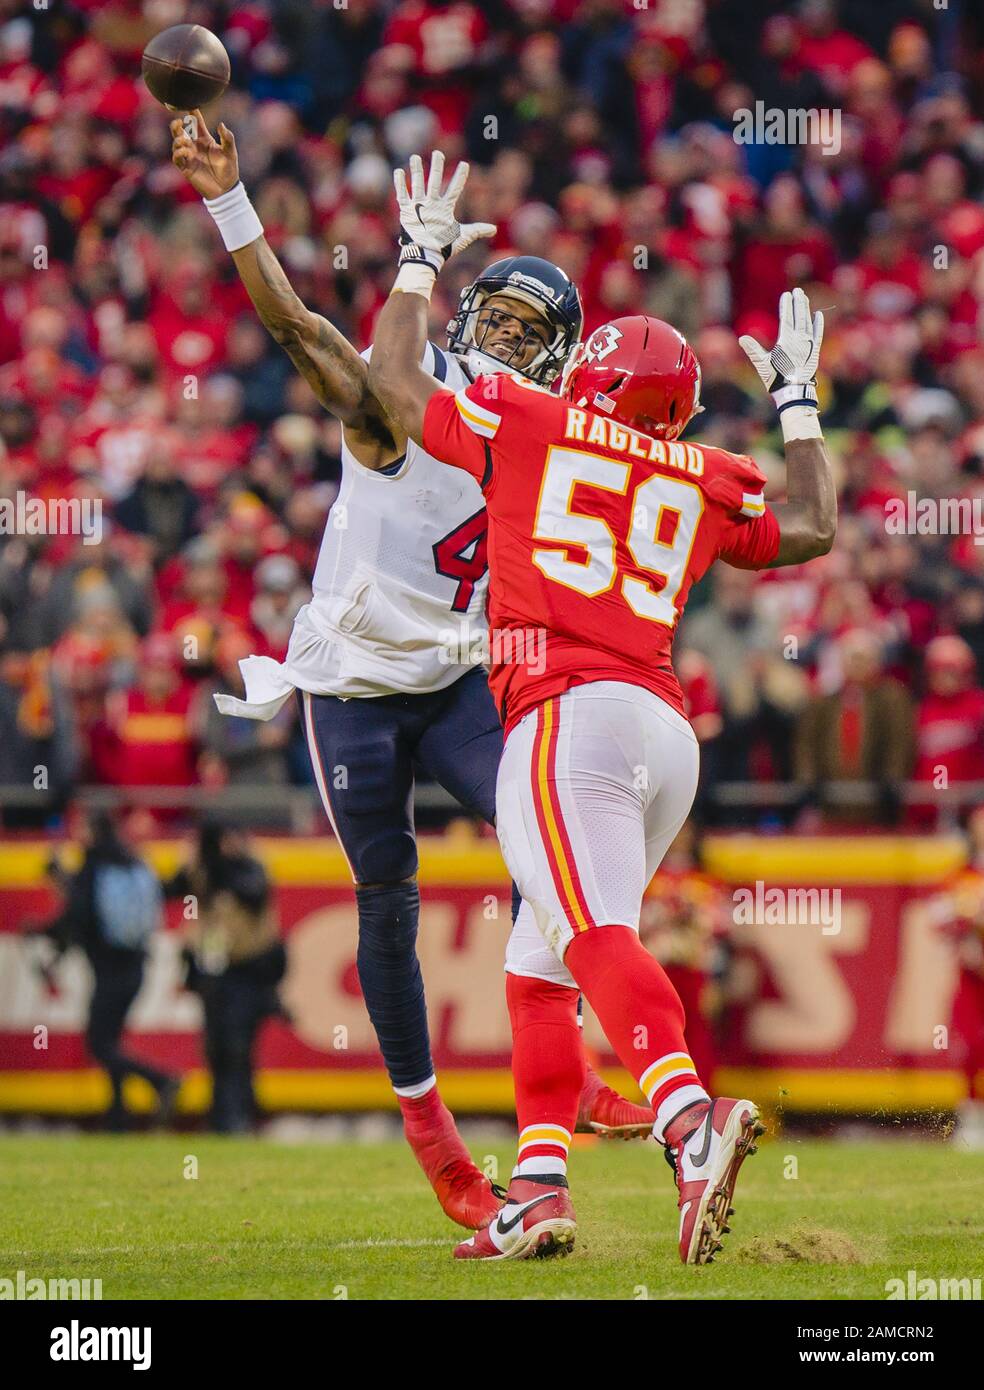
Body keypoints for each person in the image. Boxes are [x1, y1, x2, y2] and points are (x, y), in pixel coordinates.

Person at [169, 114, 652, 1228]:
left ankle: (568, 1072)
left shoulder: (556, 430)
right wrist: (234, 205)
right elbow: (294, 328)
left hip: (463, 674)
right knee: (388, 901)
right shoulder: (405, 396)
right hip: (356, 681)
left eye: (533, 330)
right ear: (458, 313)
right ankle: (437, 1145)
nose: (505, 340)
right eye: (498, 317)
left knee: (555, 850)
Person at [368, 153, 836, 1263]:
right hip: (664, 734)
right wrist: (801, 403)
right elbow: (811, 527)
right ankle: (538, 1186)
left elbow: (389, 386)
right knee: (537, 965)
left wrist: (418, 264)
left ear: (588, 374)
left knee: (587, 936)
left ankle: (686, 1118)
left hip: (566, 711)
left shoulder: (531, 421)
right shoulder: (705, 473)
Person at [32, 810, 179, 1131]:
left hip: (110, 968)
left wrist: (39, 929)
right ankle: (117, 1115)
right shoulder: (131, 860)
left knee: (99, 1044)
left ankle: (161, 1081)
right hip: (136, 965)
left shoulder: (92, 866)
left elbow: (77, 918)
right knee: (110, 1040)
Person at [165, 823, 286, 1134]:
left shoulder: (250, 868)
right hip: (214, 971)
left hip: (248, 971)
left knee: (238, 1045)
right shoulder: (202, 871)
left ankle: (240, 1115)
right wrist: (193, 862)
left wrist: (218, 868)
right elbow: (169, 888)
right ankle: (222, 1117)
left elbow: (253, 892)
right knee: (216, 1046)